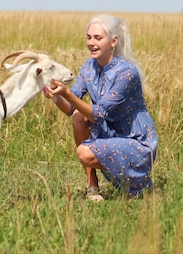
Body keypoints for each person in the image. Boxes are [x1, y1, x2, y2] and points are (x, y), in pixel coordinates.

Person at [44, 13, 158, 201]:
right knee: (79, 117)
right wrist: (55, 96)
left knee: (83, 151)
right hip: (109, 135)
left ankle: (135, 184)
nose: (91, 43)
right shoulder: (89, 67)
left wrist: (67, 93)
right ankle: (92, 186)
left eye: (98, 38)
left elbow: (99, 113)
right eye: (89, 37)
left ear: (113, 41)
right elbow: (71, 109)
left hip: (136, 141)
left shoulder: (126, 73)